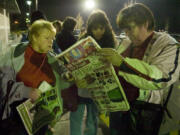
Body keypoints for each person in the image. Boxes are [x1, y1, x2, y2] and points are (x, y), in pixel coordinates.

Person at [98, 3, 180, 135]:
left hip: (145, 114)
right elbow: (112, 71)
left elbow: (160, 77)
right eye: (125, 30)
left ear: (145, 24)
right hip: (118, 110)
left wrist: (122, 63)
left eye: (130, 28)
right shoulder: (126, 42)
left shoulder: (167, 44)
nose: (127, 34)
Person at [0, 20, 71, 135]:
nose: (51, 42)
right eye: (47, 38)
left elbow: (62, 84)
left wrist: (70, 76)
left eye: (52, 38)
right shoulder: (14, 54)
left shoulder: (52, 59)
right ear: (34, 37)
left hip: (43, 115)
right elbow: (3, 85)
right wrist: (27, 92)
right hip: (17, 117)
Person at [70, 9, 117, 135]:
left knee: (92, 119)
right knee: (75, 118)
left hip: (97, 89)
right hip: (81, 88)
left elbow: (113, 66)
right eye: (95, 28)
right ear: (90, 28)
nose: (98, 31)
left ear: (106, 27)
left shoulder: (110, 42)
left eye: (101, 28)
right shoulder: (83, 40)